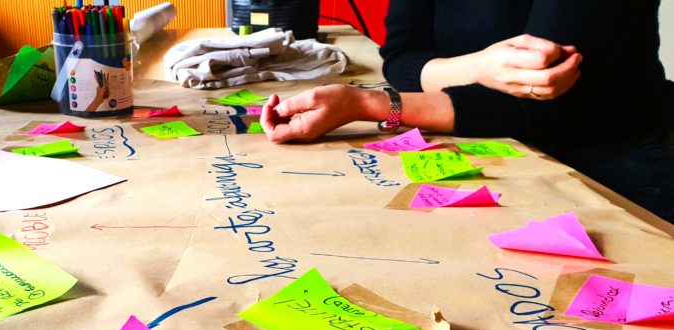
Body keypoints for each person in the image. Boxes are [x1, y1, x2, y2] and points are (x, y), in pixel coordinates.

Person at [261, 0, 674, 223]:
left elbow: (545, 97)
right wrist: (480, 67)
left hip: (611, 159)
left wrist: (367, 104)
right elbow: (401, 57)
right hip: (489, 151)